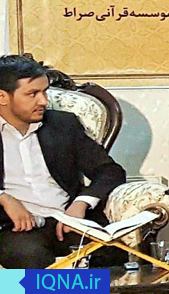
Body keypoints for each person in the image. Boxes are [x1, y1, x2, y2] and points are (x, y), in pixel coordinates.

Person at [0, 55, 126, 268]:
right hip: (17, 228)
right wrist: (4, 198)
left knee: (113, 256)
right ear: (2, 97)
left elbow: (109, 170)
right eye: (32, 94)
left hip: (68, 220)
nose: (43, 101)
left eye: (44, 92)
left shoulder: (62, 125)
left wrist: (81, 204)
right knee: (31, 260)